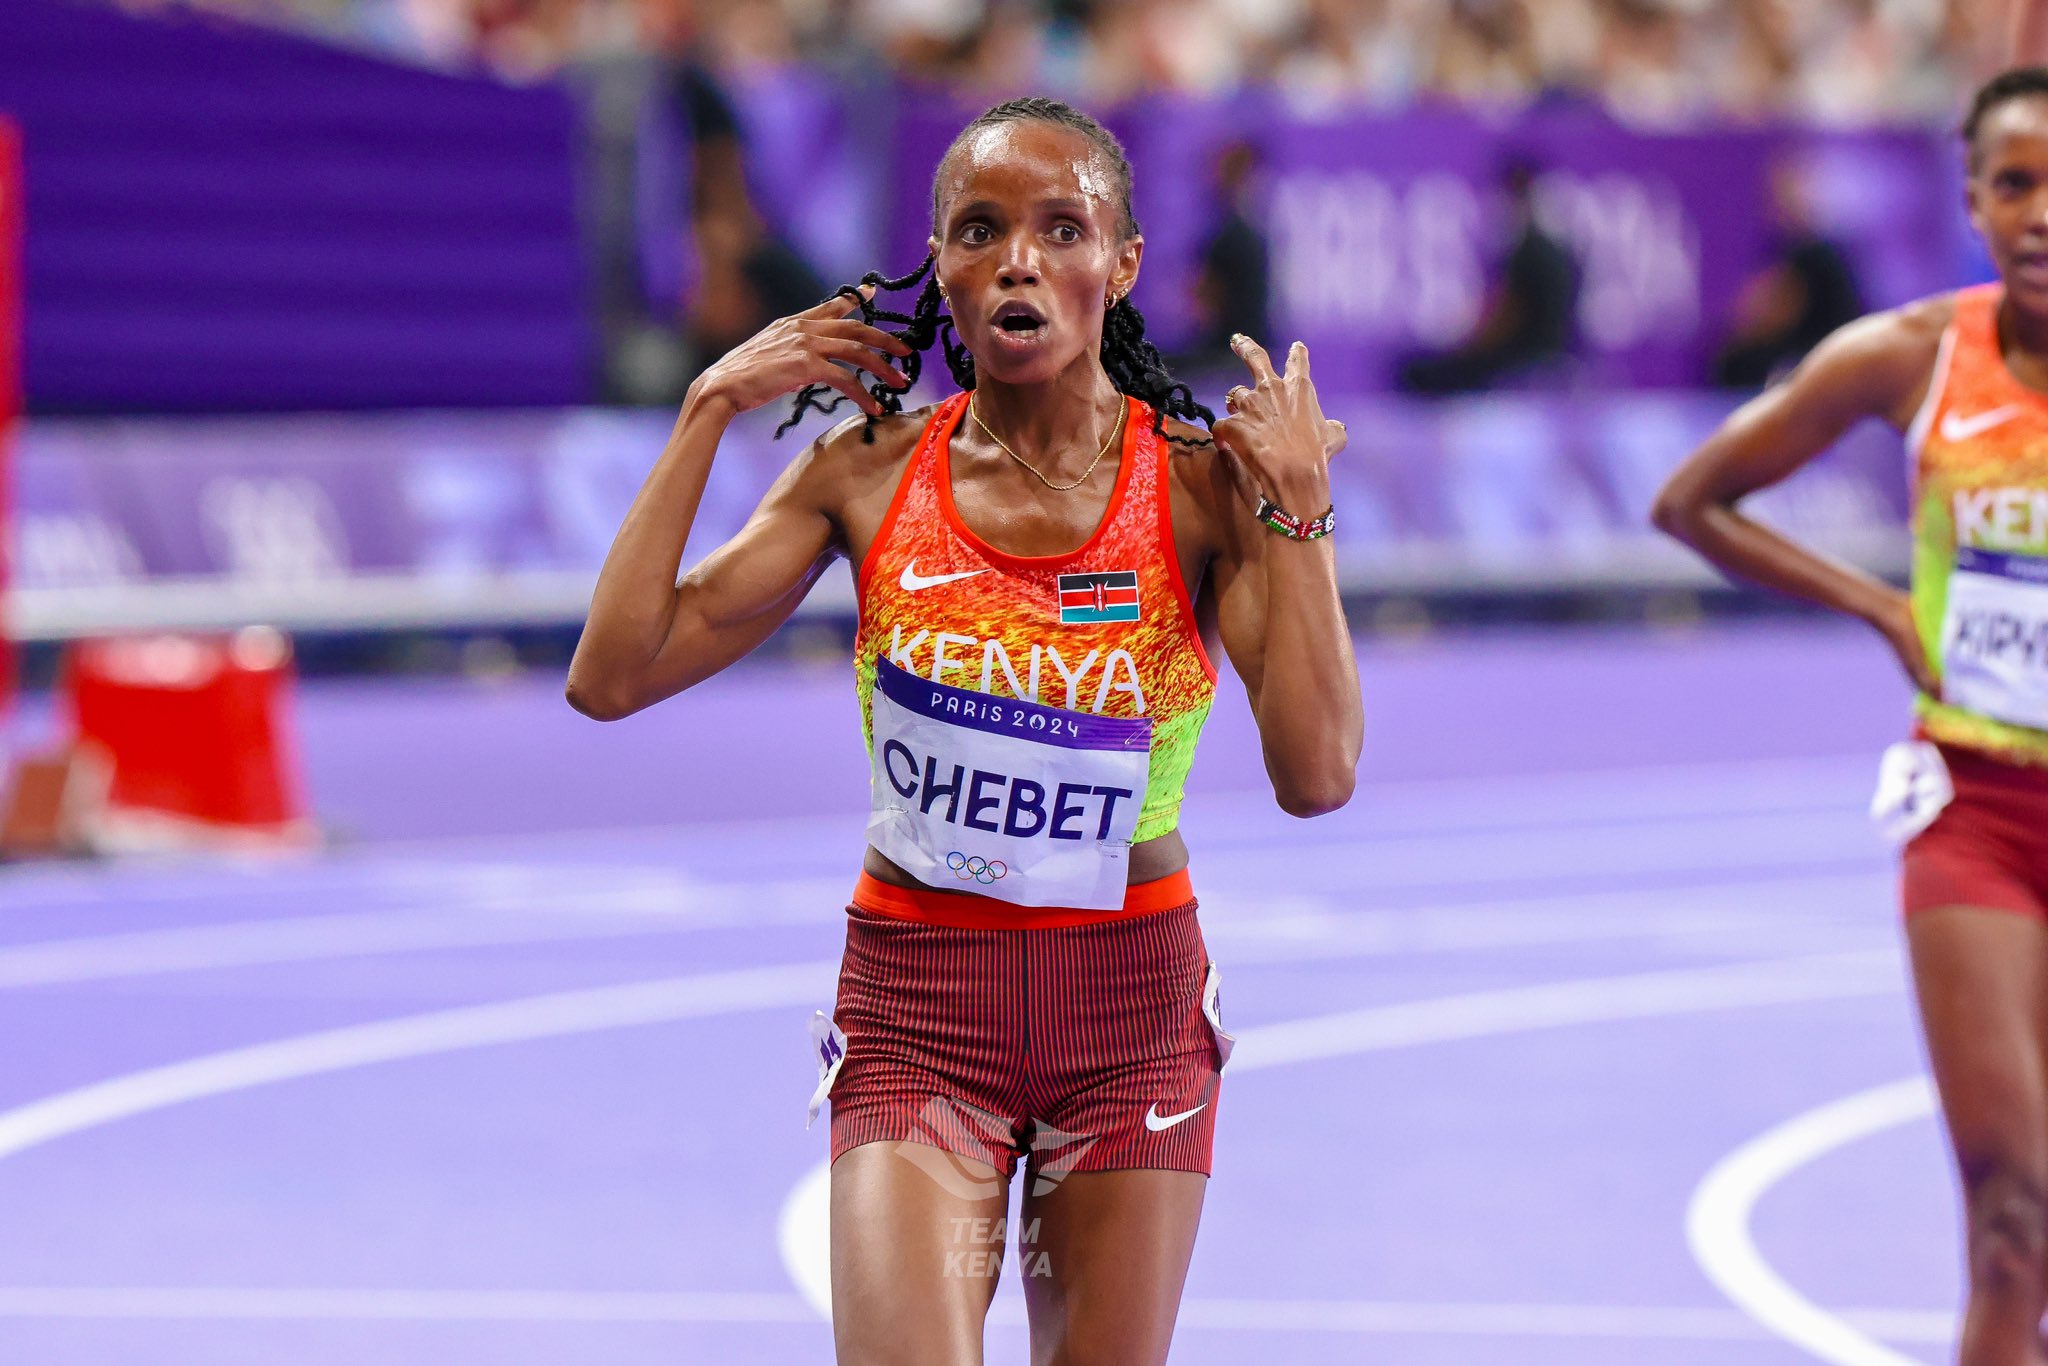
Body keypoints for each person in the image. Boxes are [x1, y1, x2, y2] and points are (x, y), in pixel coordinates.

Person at [566, 97, 1363, 1365]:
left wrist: (1301, 521)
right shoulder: (865, 472)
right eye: (978, 230)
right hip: (918, 1013)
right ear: (941, 265)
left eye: (1062, 227)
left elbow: (1317, 777)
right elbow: (611, 675)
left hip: (1130, 1014)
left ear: (1122, 263)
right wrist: (709, 403)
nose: (1018, 259)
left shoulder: (1201, 486)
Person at [1652, 67, 2048, 1366]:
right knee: (2011, 1223)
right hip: (1978, 816)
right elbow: (1693, 501)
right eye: (2014, 184)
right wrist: (1881, 607)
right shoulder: (1916, 353)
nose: (2040, 213)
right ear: (1974, 203)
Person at [1397, 156, 1579, 395]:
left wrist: (1464, 344)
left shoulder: (1529, 253)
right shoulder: (1560, 250)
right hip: (1545, 351)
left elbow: (1504, 321)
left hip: (1520, 357)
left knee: (1417, 372)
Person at [1710, 159, 1865, 389]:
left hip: (1824, 356)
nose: (1777, 203)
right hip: (1819, 352)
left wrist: (1743, 329)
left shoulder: (1813, 254)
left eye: (1788, 194)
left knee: (1733, 362)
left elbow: (1776, 313)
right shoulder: (1785, 247)